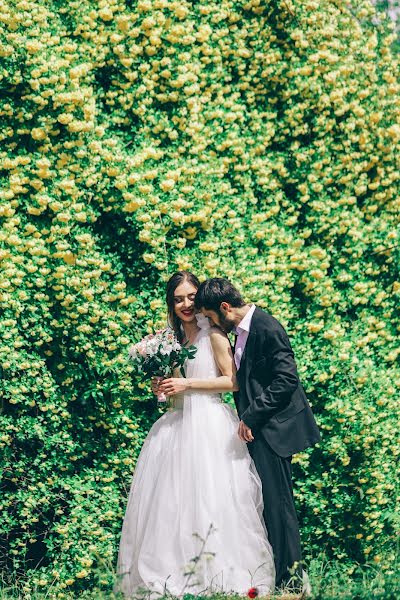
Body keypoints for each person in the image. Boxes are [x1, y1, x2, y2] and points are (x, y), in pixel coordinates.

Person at [114, 271, 275, 598]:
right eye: (178, 299)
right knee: (172, 503)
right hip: (175, 424)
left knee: (211, 498)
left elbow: (232, 381)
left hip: (209, 426)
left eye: (191, 296)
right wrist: (162, 387)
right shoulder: (170, 341)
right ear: (171, 305)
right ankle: (176, 573)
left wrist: (187, 384)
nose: (186, 304)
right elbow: (175, 388)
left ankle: (219, 574)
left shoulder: (213, 334)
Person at [195, 278, 321, 595]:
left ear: (224, 308)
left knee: (280, 507)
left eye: (210, 317)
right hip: (262, 431)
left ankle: (293, 584)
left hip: (275, 430)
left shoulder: (266, 327)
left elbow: (286, 380)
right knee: (271, 506)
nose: (210, 323)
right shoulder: (242, 332)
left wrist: (252, 414)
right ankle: (284, 577)